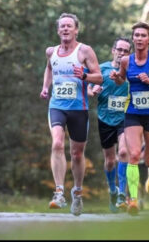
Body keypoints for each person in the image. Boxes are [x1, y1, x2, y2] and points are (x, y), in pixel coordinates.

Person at [39, 13, 103, 216]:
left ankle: (77, 191)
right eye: (62, 26)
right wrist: (45, 87)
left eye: (69, 26)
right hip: (57, 105)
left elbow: (99, 78)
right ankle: (59, 192)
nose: (65, 29)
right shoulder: (51, 52)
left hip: (79, 108)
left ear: (76, 30)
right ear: (58, 30)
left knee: (76, 154)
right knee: (57, 143)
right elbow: (49, 69)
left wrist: (84, 75)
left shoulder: (84, 50)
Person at [110, 21, 149, 216]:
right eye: (136, 35)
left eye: (143, 36)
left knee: (148, 159)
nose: (139, 38)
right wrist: (116, 77)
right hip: (133, 112)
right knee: (134, 154)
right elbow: (122, 78)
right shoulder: (126, 61)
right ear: (133, 39)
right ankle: (133, 201)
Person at [87, 37, 131, 213]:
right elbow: (89, 88)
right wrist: (93, 91)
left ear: (129, 54)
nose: (121, 53)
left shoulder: (131, 71)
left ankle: (122, 193)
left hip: (126, 117)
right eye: (119, 49)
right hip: (105, 118)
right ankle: (112, 190)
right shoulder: (102, 69)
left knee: (123, 152)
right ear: (113, 50)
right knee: (110, 161)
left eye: (125, 51)